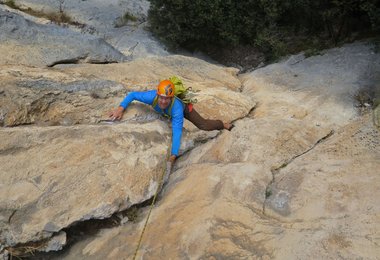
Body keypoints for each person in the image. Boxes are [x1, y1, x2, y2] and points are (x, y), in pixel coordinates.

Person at [109, 79, 233, 178]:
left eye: (167, 98)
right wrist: (120, 108)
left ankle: (223, 124)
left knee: (203, 125)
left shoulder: (177, 108)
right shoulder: (151, 96)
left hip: (185, 110)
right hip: (167, 112)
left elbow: (177, 131)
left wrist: (173, 154)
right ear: (158, 95)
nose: (163, 101)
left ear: (171, 98)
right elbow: (132, 95)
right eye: (161, 97)